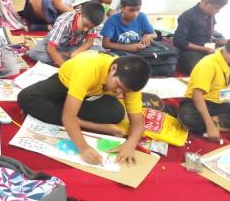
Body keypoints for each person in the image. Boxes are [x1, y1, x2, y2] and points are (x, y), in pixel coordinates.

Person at [18, 52, 151, 165]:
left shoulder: (129, 82)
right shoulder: (89, 68)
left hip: (92, 95)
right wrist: (84, 148)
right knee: (27, 98)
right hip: (64, 84)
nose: (119, 93)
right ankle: (79, 117)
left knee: (117, 113)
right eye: (118, 86)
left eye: (124, 91)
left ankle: (73, 114)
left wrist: (130, 144)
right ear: (113, 68)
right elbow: (68, 117)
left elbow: (138, 124)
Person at [178, 34, 230, 140]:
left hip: (217, 104)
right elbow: (197, 95)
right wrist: (209, 124)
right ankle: (218, 124)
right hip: (196, 103)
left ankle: (216, 122)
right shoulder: (209, 64)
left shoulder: (227, 62)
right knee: (187, 117)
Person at [28, 1, 105, 66]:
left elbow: (89, 42)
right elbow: (50, 48)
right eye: (85, 25)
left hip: (74, 46)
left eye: (89, 28)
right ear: (79, 13)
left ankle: (63, 56)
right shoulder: (64, 21)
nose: (86, 29)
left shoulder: (91, 22)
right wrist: (64, 66)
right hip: (56, 45)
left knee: (99, 51)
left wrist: (76, 53)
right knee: (34, 53)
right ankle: (66, 56)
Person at [174, 0, 228, 75]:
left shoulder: (210, 14)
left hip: (207, 49)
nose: (218, 11)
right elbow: (179, 41)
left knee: (229, 60)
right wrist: (205, 49)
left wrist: (218, 41)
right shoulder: (188, 16)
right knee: (202, 71)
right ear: (206, 3)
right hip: (190, 52)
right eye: (217, 8)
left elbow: (207, 34)